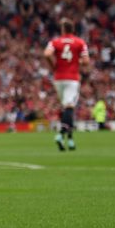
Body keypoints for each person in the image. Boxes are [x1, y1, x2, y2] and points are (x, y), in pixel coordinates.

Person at [44, 18, 90, 151]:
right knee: (69, 107)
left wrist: (53, 66)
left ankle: (70, 140)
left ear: (63, 29)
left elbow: (47, 54)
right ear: (73, 29)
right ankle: (60, 134)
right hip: (72, 78)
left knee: (66, 108)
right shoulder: (80, 42)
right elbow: (86, 61)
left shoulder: (55, 41)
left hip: (58, 78)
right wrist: (76, 61)